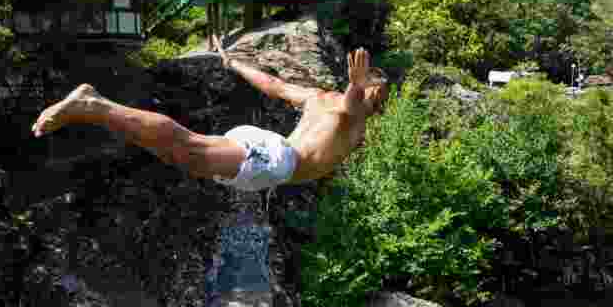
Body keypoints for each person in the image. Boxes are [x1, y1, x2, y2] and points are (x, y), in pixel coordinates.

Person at [31, 46, 388, 191]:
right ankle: (94, 106)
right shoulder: (355, 119)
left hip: (271, 153)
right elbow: (350, 108)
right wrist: (357, 87)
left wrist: (234, 63)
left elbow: (274, 86)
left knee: (180, 154)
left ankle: (97, 111)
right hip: (279, 161)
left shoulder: (318, 97)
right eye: (378, 93)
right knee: (189, 149)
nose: (379, 101)